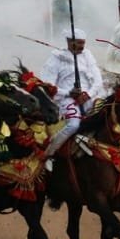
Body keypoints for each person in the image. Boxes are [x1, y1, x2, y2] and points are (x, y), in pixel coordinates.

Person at [40, 27, 104, 169]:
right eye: (78, 43)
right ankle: (49, 154)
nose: (82, 47)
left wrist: (87, 94)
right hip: (66, 99)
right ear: (69, 42)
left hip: (89, 96)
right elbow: (47, 86)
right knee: (73, 125)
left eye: (83, 43)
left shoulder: (88, 55)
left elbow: (98, 80)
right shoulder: (56, 58)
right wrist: (69, 93)